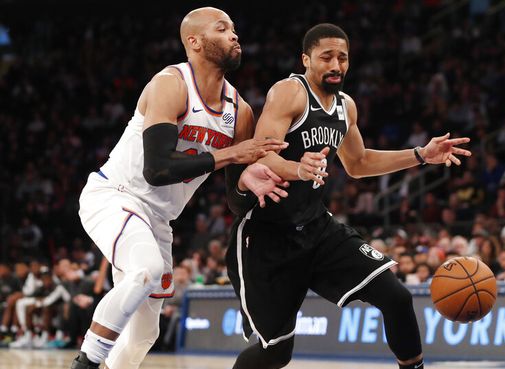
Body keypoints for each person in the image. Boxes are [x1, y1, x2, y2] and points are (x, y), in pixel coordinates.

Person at [226, 23, 471, 369]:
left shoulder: (346, 107)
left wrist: (419, 154)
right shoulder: (290, 92)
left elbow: (358, 163)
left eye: (343, 58)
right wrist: (298, 168)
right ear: (306, 59)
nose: (336, 65)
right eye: (327, 57)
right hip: (267, 236)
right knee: (275, 353)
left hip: (316, 227)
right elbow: (262, 153)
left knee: (396, 297)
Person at [70, 7, 290, 369]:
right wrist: (231, 153)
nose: (234, 35)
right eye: (222, 29)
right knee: (145, 270)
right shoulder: (170, 84)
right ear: (195, 41)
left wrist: (247, 180)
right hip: (116, 196)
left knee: (144, 334)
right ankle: (85, 363)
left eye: (235, 29)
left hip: (159, 219)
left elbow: (235, 198)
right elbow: (157, 169)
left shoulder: (242, 112)